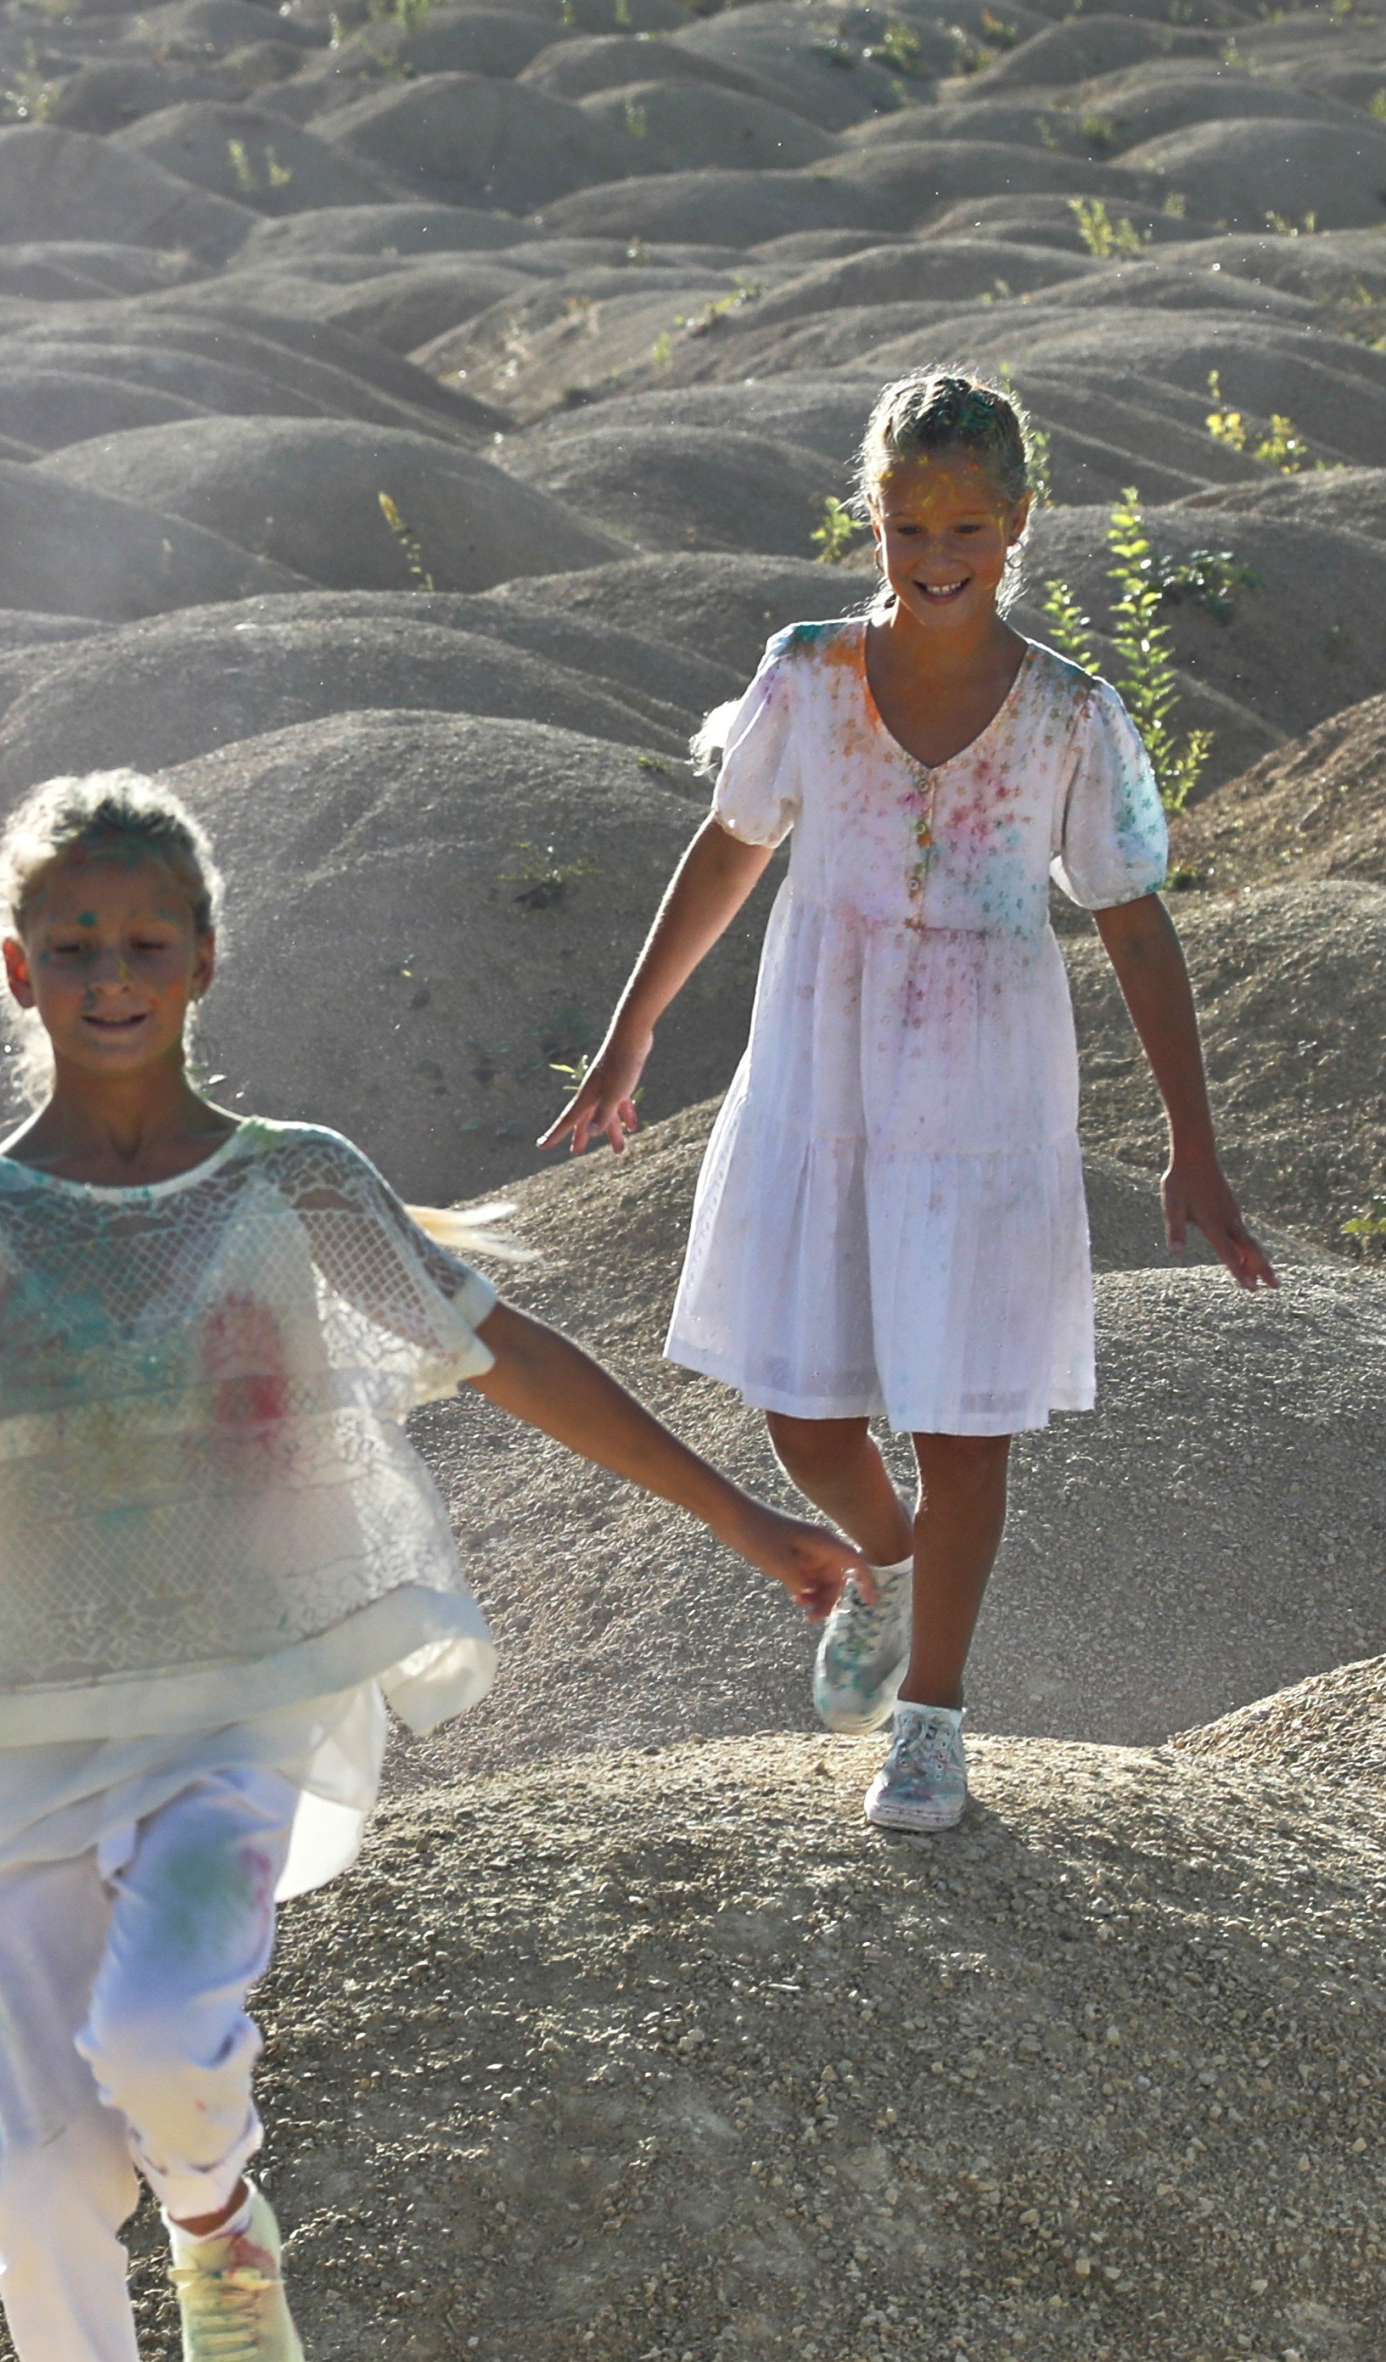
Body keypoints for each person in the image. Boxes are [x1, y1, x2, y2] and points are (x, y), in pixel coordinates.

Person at [0, 770, 866, 2362]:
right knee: (33, 2189)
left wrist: (743, 1514)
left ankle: (221, 2228)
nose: (112, 968)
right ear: (17, 970)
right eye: (74, 940)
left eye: (144, 939)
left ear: (205, 960)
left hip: (237, 1702)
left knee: (166, 2039)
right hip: (25, 1721)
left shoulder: (289, 1184)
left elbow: (508, 1351)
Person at [545, 363, 1274, 1835]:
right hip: (823, 1072)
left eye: (965, 530)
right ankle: (882, 1569)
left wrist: (1194, 1145)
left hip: (985, 1092)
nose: (935, 560)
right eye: (904, 529)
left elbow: (1132, 917)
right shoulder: (807, 674)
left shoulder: (1070, 715)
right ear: (868, 522)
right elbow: (729, 845)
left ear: (1015, 525)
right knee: (803, 1418)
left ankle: (930, 1721)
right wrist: (626, 1041)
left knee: (960, 1426)